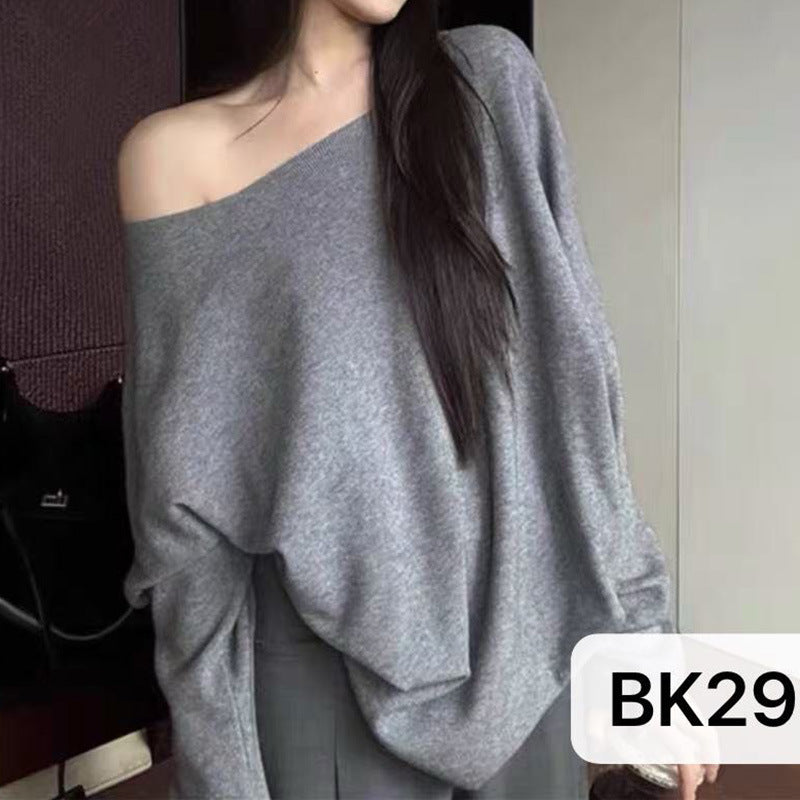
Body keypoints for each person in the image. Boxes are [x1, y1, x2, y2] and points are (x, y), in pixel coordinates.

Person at [116, 1, 717, 798]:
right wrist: (219, 774)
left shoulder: (487, 84)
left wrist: (649, 652)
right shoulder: (172, 160)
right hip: (314, 688)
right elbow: (186, 521)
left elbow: (575, 398)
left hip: (523, 662)